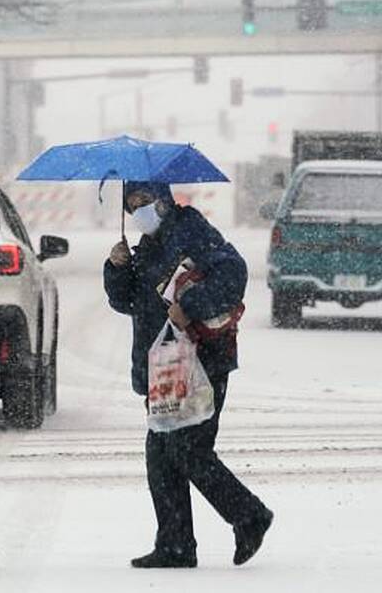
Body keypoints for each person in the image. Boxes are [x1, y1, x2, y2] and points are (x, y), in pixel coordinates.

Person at [103, 180, 273, 569]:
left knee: (187, 450)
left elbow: (233, 273)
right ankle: (175, 545)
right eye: (132, 204)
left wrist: (190, 305)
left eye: (144, 200)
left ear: (163, 199)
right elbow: (126, 301)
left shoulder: (189, 229)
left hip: (202, 359)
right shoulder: (145, 246)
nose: (139, 209)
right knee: (161, 456)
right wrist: (116, 268)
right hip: (163, 363)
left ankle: (249, 516)